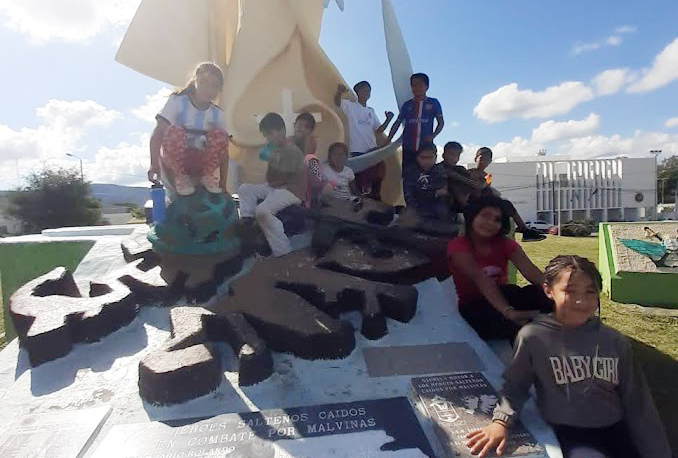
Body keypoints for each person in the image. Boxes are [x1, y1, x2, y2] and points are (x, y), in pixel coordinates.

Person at [466, 255, 671, 458]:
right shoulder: (533, 338)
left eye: (590, 292)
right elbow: (515, 386)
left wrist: (658, 451)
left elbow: (638, 403)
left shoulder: (615, 341)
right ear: (548, 291)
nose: (581, 300)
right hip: (572, 434)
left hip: (614, 430)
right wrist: (500, 422)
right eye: (569, 291)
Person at [447, 196, 553, 341]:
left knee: (541, 294)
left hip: (505, 294)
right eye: (485, 216)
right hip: (473, 304)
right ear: (473, 216)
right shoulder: (458, 245)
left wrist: (559, 294)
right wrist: (509, 312)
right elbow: (480, 278)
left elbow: (531, 271)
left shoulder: (505, 244)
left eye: (497, 219)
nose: (490, 223)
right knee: (505, 324)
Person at [148, 62, 229, 196]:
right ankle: (180, 176)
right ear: (195, 80)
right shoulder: (177, 101)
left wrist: (223, 184)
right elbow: (159, 132)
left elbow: (224, 151)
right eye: (204, 82)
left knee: (221, 135)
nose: (209, 89)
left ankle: (206, 176)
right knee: (174, 131)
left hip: (201, 162)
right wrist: (154, 164)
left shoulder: (217, 114)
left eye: (214, 86)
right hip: (175, 161)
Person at [237, 113, 305, 257]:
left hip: (291, 190)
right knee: (245, 189)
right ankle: (247, 223)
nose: (267, 138)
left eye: (269, 134)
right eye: (265, 135)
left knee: (262, 211)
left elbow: (280, 180)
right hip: (276, 186)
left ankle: (283, 250)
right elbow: (270, 178)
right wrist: (271, 161)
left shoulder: (291, 151)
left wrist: (273, 178)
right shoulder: (275, 150)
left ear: (282, 130)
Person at [469, 147, 546, 242]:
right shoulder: (470, 173)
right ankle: (522, 230)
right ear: (475, 158)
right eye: (481, 158)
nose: (483, 161)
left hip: (487, 201)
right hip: (474, 201)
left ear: (490, 161)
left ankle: (524, 230)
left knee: (506, 204)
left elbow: (487, 190)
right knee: (504, 204)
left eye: (486, 159)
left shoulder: (487, 176)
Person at [334, 81, 393, 200]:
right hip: (358, 150)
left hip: (372, 149)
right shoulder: (350, 106)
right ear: (358, 92)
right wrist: (339, 91)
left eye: (368, 90)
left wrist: (388, 120)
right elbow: (337, 102)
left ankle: (376, 201)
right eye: (364, 90)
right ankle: (360, 203)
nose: (367, 93)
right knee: (359, 180)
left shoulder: (371, 111)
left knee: (377, 177)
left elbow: (379, 130)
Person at [387, 73, 444, 177]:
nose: (416, 87)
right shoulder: (407, 105)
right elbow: (397, 123)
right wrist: (388, 140)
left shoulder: (433, 103)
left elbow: (441, 123)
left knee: (426, 177)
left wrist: (432, 136)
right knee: (408, 177)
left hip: (425, 147)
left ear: (427, 86)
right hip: (408, 147)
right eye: (413, 85)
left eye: (419, 84)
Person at [402, 142, 448, 220]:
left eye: (430, 158)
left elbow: (442, 192)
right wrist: (433, 193)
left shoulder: (440, 172)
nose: (427, 161)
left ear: (435, 157)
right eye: (423, 158)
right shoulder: (410, 172)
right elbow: (409, 193)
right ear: (417, 157)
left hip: (436, 211)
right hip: (415, 209)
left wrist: (425, 193)